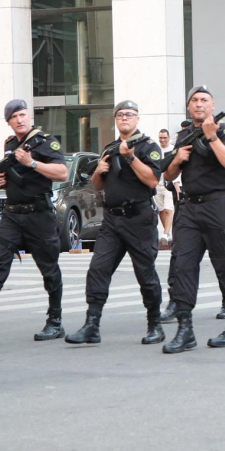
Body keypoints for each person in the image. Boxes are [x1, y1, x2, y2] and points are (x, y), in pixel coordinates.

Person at [0, 99, 68, 341]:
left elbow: (62, 173)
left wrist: (32, 163)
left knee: (49, 269)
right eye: (14, 117)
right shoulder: (9, 143)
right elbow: (9, 176)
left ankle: (55, 321)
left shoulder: (45, 141)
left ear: (29, 116)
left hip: (39, 214)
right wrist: (0, 180)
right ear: (8, 122)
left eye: (22, 115)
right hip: (12, 213)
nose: (19, 120)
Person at [65, 101, 165, 346]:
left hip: (139, 218)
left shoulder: (148, 146)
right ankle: (92, 325)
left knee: (145, 274)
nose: (124, 119)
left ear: (137, 119)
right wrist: (99, 170)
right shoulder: (109, 148)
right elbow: (99, 185)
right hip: (112, 219)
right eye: (120, 115)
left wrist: (130, 158)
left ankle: (155, 325)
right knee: (98, 269)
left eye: (129, 115)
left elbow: (152, 180)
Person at [161, 86, 225, 353]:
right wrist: (177, 158)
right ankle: (185, 330)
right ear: (188, 107)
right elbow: (169, 176)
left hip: (219, 206)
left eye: (204, 100)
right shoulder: (184, 135)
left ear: (212, 105)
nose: (199, 104)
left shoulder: (224, 131)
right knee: (183, 266)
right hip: (189, 208)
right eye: (194, 100)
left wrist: (212, 138)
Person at [154, 128, 178, 246]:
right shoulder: (155, 150)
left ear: (169, 138)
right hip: (157, 184)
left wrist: (177, 185)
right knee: (161, 211)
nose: (162, 140)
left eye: (164, 137)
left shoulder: (172, 150)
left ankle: (166, 232)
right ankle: (167, 234)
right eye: (160, 138)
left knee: (169, 209)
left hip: (169, 183)